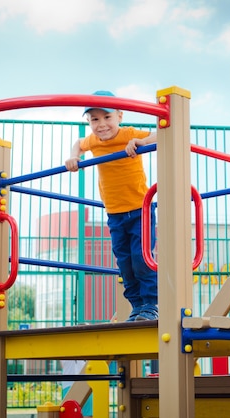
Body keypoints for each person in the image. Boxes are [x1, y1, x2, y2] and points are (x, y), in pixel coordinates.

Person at [65, 90, 159, 321]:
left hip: (140, 210)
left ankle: (150, 304)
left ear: (120, 115)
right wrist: (73, 157)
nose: (101, 124)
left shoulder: (128, 134)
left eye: (107, 117)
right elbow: (78, 143)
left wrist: (141, 141)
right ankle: (137, 306)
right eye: (94, 119)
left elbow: (160, 134)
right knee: (124, 262)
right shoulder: (93, 141)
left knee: (141, 257)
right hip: (114, 213)